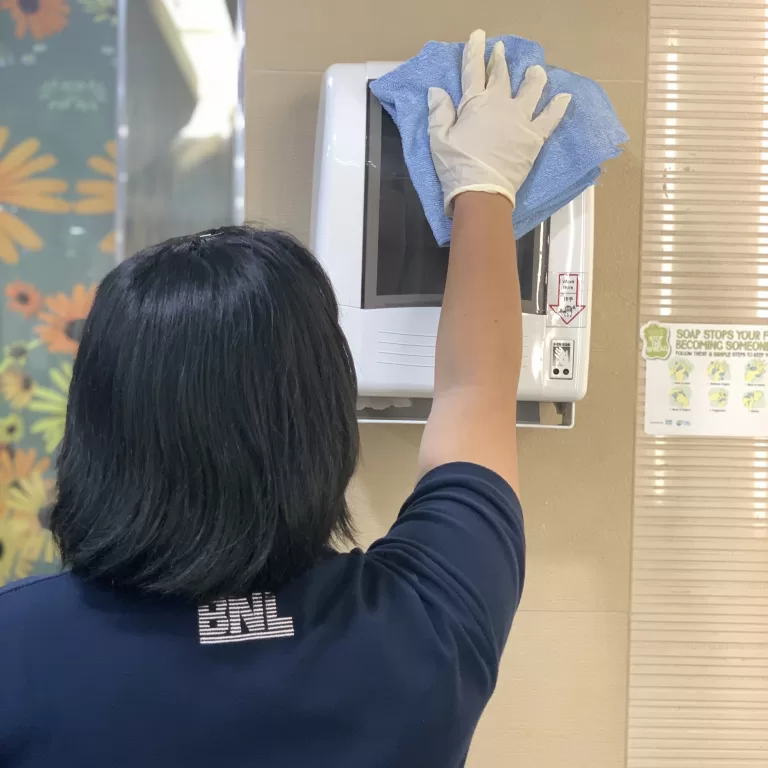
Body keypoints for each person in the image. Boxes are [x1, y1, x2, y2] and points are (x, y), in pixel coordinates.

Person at [0, 30, 570, 768]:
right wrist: (484, 184)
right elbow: (477, 390)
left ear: (95, 432)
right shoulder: (428, 622)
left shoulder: (18, 653)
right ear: (321, 420)